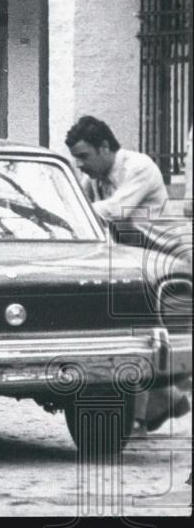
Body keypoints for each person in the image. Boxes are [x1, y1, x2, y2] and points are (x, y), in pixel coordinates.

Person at [65, 115, 191, 436]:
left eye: (84, 156)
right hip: (129, 263)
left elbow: (112, 210)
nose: (80, 165)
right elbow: (82, 209)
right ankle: (163, 402)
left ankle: (145, 414)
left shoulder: (140, 167)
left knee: (145, 336)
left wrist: (64, 212)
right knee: (129, 332)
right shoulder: (96, 179)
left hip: (166, 262)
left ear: (105, 146)